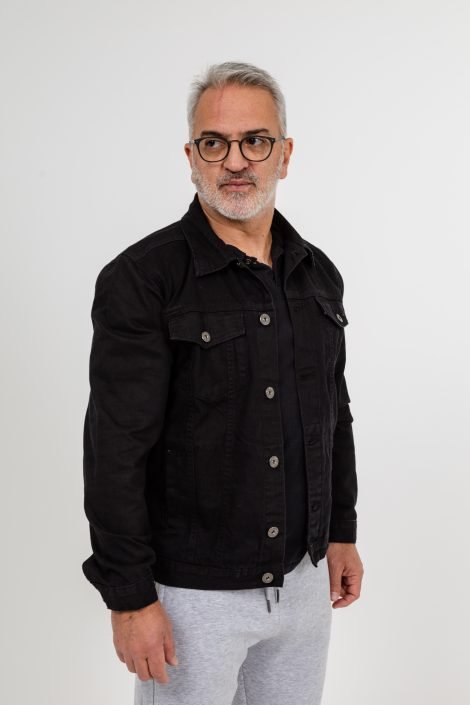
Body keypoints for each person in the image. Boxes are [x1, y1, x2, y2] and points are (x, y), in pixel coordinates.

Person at [82, 61, 364, 705]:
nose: (235, 161)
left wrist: (341, 530)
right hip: (192, 594)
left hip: (303, 584)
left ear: (285, 153)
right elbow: (115, 450)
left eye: (255, 141)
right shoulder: (142, 280)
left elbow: (335, 415)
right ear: (191, 157)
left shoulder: (318, 275)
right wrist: (130, 599)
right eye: (215, 143)